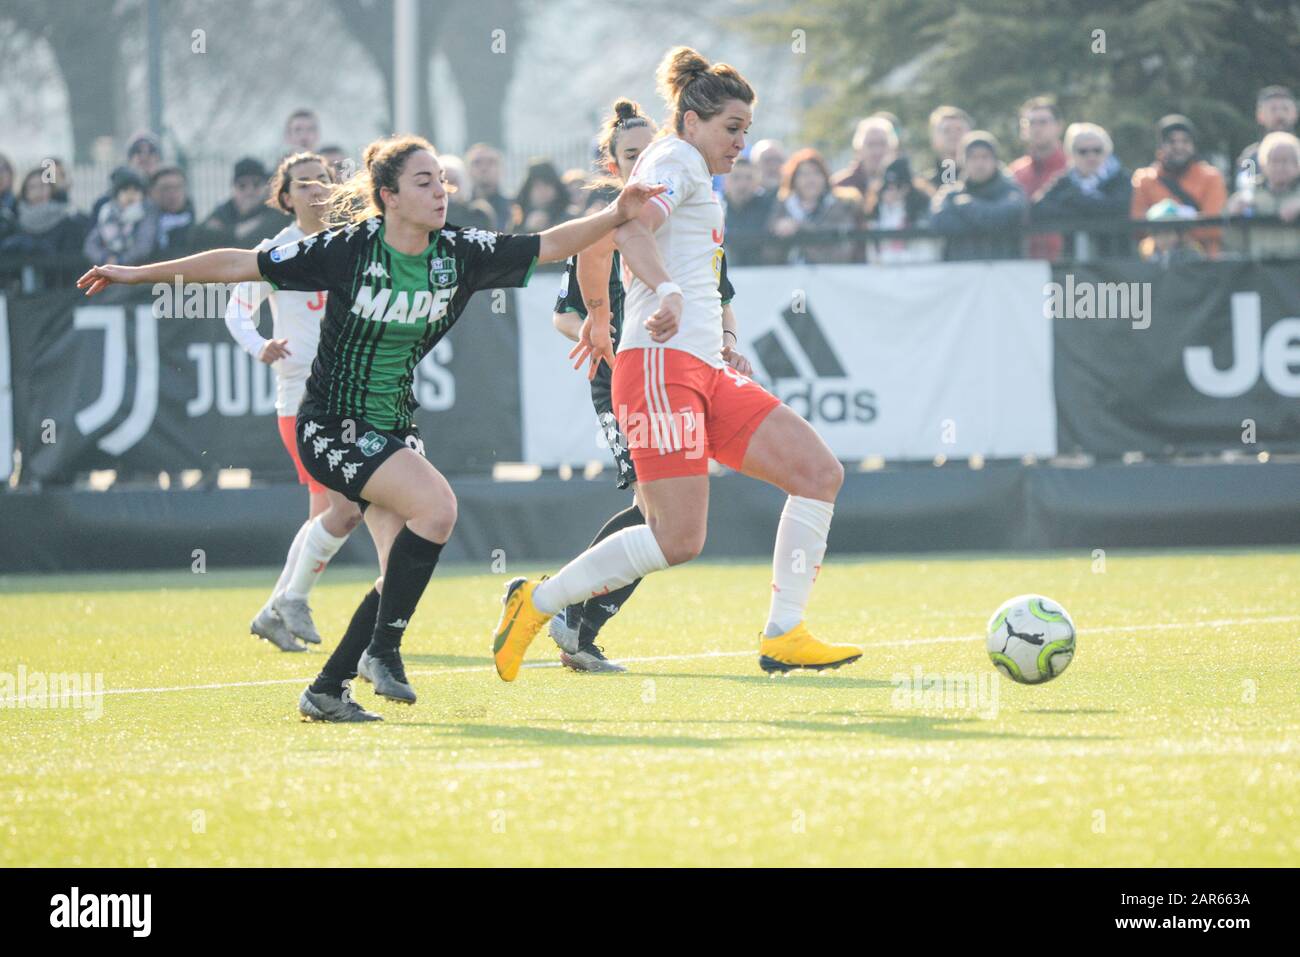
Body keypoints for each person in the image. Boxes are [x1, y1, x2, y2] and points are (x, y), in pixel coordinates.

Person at [78, 133, 666, 722]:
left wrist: (617, 212)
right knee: (438, 508)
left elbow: (548, 244)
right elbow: (238, 263)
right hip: (330, 425)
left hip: (391, 428)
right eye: (423, 182)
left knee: (399, 568)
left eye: (441, 179)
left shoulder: (459, 252)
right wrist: (133, 273)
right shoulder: (348, 249)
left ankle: (332, 686)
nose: (441, 191)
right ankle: (380, 652)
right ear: (387, 196)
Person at [491, 46, 862, 682]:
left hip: (702, 367)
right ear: (691, 121)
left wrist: (609, 313)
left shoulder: (688, 164)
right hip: (661, 367)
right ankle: (537, 602)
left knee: (818, 473)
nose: (742, 142)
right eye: (732, 128)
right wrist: (659, 293)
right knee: (677, 540)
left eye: (747, 129)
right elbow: (623, 229)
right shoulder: (676, 159)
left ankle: (785, 633)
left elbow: (606, 232)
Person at [548, 96, 746, 673]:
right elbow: (566, 310)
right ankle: (569, 614)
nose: (642, 164)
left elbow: (721, 293)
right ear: (613, 166)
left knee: (659, 513)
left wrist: (729, 342)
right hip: (626, 372)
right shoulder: (610, 222)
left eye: (647, 152)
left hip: (682, 368)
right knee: (656, 508)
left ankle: (577, 621)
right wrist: (595, 330)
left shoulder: (683, 211)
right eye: (629, 156)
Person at [222, 152, 366, 652]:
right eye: (303, 184)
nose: (316, 190)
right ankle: (284, 603)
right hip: (300, 397)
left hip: (348, 393)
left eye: (324, 181)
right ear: (285, 197)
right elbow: (237, 312)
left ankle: (276, 607)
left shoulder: (348, 245)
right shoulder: (276, 251)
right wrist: (261, 344)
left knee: (326, 512)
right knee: (341, 509)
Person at [1031, 122, 1132, 258]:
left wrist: (1073, 201)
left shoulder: (1121, 178)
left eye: (1097, 150)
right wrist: (1093, 206)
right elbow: (1038, 208)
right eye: (1083, 151)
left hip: (1116, 261)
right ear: (1072, 154)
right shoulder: (1064, 181)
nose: (1091, 156)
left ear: (1107, 151)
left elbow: (1118, 208)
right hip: (1074, 262)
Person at [1131, 114, 1227, 255]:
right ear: (1160, 147)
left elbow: (1213, 228)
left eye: (1185, 141)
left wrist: (1169, 230)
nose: (1179, 147)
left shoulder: (1211, 177)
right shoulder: (1145, 179)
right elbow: (1138, 227)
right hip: (1157, 265)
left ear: (1193, 146)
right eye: (1171, 141)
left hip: (1203, 263)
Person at [930, 130, 1027, 261]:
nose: (979, 163)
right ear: (963, 161)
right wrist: (986, 219)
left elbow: (1008, 215)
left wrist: (967, 206)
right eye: (973, 157)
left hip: (1005, 273)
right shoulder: (950, 194)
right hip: (961, 275)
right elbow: (939, 221)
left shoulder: (1011, 191)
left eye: (985, 157)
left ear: (995, 160)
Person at [767, 148, 862, 263]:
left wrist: (799, 228)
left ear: (825, 177)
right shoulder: (782, 207)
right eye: (804, 174)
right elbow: (768, 254)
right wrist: (780, 234)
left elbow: (841, 249)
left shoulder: (841, 206)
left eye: (816, 173)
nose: (810, 179)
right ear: (793, 179)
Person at [1009, 96, 1068, 259]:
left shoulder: (1072, 168)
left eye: (1043, 122)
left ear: (1059, 126)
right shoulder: (1014, 172)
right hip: (1023, 262)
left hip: (1068, 263)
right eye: (1030, 123)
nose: (1036, 128)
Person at [1226, 131, 1300, 259]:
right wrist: (1232, 216)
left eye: (1286, 160)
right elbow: (1231, 243)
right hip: (1259, 273)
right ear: (1263, 165)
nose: (1280, 167)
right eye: (1274, 161)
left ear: (1297, 165)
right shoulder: (1247, 196)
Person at [200, 157, 291, 248]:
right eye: (242, 186)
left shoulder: (276, 213)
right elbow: (199, 236)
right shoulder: (224, 211)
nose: (249, 191)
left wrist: (225, 234)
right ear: (233, 188)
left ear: (265, 187)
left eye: (256, 184)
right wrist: (236, 232)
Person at [862, 156, 938, 264]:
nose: (891, 191)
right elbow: (872, 252)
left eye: (897, 186)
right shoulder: (875, 212)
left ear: (907, 188)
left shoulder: (921, 212)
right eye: (887, 186)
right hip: (882, 275)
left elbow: (927, 253)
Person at [83, 166, 156, 266]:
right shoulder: (107, 213)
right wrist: (104, 258)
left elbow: (143, 246)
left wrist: (121, 260)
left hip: (136, 271)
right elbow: (91, 245)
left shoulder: (146, 213)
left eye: (136, 190)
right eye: (125, 190)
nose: (131, 194)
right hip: (108, 269)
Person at [722, 155, 776, 264]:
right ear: (726, 181)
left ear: (757, 182)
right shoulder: (716, 205)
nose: (742, 184)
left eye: (749, 178)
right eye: (736, 177)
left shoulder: (769, 207)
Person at [832, 115, 897, 196]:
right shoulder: (841, 186)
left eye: (882, 144)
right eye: (871, 145)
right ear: (859, 150)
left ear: (892, 148)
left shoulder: (902, 185)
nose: (877, 151)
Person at [1237, 86, 1297, 172]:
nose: (1280, 115)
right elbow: (1246, 184)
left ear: (1295, 114)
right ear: (1260, 115)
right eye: (1273, 109)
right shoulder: (1250, 159)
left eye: (1285, 109)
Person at [513, 159, 576, 231]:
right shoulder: (519, 217)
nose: (542, 191)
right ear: (528, 189)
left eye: (547, 184)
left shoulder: (569, 217)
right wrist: (528, 229)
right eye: (537, 186)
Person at [465, 142, 515, 230]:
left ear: (501, 169)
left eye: (491, 162)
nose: (484, 168)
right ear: (468, 170)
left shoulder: (513, 208)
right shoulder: (460, 209)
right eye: (477, 163)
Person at [148, 166, 197, 255]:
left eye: (178, 187)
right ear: (152, 192)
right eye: (166, 188)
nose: (172, 193)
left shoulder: (195, 231)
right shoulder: (143, 225)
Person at [925, 105, 972, 190]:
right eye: (946, 130)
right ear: (933, 139)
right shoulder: (923, 187)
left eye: (959, 129)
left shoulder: (988, 181)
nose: (953, 134)